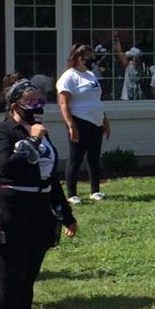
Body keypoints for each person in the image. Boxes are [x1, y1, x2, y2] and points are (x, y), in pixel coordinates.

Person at [0, 77, 77, 309]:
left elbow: (50, 177)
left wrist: (65, 214)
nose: (38, 106)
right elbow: (6, 165)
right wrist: (33, 139)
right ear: (15, 106)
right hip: (6, 209)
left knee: (27, 277)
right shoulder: (2, 131)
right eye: (30, 101)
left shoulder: (41, 132)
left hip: (37, 209)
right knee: (9, 278)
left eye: (40, 100)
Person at [56, 44, 110, 204]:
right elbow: (63, 103)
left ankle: (95, 190)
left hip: (96, 122)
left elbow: (96, 101)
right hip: (79, 121)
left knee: (94, 158)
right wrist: (71, 125)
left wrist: (105, 121)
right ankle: (72, 194)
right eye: (90, 57)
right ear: (80, 58)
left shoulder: (90, 75)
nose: (93, 60)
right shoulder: (68, 77)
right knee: (76, 158)